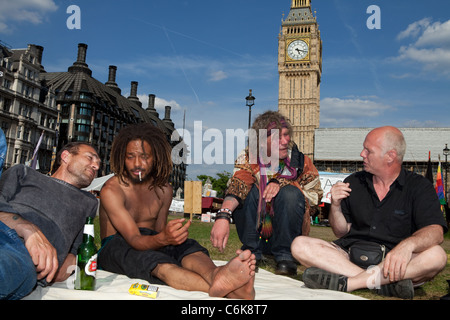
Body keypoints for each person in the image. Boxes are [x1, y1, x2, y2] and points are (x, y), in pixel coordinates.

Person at [98, 123, 256, 299]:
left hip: (151, 240)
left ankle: (216, 276)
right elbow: (134, 239)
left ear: (155, 158)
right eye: (130, 157)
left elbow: (157, 232)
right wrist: (163, 238)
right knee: (157, 263)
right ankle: (232, 293)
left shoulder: (164, 189)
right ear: (122, 157)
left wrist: (171, 237)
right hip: (116, 245)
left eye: (144, 157)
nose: (137, 164)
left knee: (187, 247)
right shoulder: (112, 190)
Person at [291, 126, 448, 299]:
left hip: (393, 262)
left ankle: (351, 283)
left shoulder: (419, 187)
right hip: (349, 256)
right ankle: (382, 284)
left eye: (368, 150)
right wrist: (335, 206)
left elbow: (435, 231)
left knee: (437, 256)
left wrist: (407, 245)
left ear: (390, 156)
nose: (361, 154)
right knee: (299, 245)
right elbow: (341, 231)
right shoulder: (353, 182)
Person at [210, 111, 323, 275]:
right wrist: (223, 215)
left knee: (290, 194)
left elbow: (316, 196)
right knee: (247, 191)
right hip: (257, 234)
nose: (286, 141)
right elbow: (238, 184)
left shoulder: (301, 161)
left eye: (286, 135)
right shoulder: (249, 156)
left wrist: (283, 183)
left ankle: (285, 257)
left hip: (289, 238)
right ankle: (252, 253)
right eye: (279, 138)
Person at [0, 142, 101, 300]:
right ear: (65, 156)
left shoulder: (88, 201)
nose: (95, 166)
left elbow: (80, 248)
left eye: (98, 164)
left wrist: (71, 261)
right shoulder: (23, 172)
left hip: (24, 256)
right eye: (90, 158)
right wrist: (27, 229)